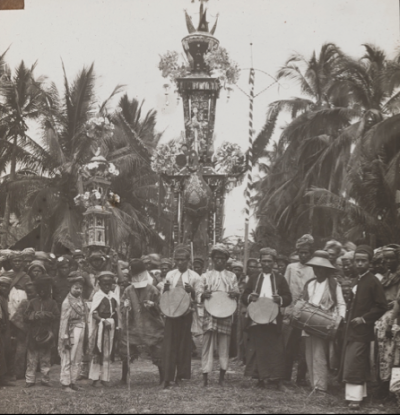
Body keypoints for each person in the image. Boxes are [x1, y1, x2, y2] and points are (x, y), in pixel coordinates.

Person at [339, 245, 387, 410]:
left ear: (369, 262)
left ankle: (355, 398)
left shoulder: (373, 281)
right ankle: (360, 394)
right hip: (352, 328)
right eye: (357, 261)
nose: (359, 264)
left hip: (363, 328)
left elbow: (382, 306)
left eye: (363, 261)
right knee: (356, 360)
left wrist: (364, 319)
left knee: (355, 360)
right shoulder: (357, 279)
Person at [242, 248, 292, 391]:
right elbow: (244, 296)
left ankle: (277, 380)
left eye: (269, 261)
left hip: (273, 318)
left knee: (276, 348)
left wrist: (280, 299)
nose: (266, 264)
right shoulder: (253, 278)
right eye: (264, 261)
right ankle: (261, 379)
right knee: (259, 347)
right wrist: (249, 297)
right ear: (260, 262)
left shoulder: (280, 279)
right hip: (256, 317)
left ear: (274, 262)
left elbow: (288, 297)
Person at [302, 251, 346, 393]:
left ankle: (320, 386)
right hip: (308, 322)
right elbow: (303, 302)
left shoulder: (334, 285)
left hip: (324, 323)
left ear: (326, 269)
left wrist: (340, 319)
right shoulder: (310, 284)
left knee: (319, 354)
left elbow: (341, 303)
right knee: (309, 353)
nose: (318, 271)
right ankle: (313, 383)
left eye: (321, 268)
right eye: (315, 268)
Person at [160, 246, 202, 389]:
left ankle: (180, 376)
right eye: (177, 259)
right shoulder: (170, 275)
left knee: (183, 345)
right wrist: (165, 290)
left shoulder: (195, 277)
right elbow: (164, 296)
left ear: (188, 261)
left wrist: (193, 292)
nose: (179, 262)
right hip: (171, 314)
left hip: (186, 315)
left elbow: (199, 299)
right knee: (169, 345)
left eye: (182, 260)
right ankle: (167, 377)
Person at [200, 244, 240, 387]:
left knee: (224, 345)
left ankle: (222, 377)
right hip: (210, 312)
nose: (219, 261)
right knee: (207, 344)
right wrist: (202, 294)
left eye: (222, 258)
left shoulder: (232, 276)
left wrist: (235, 293)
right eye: (216, 258)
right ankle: (205, 376)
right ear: (212, 259)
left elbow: (236, 292)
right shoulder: (205, 276)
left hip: (226, 312)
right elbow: (199, 292)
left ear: (226, 260)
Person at [120, 259, 164, 385]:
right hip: (134, 326)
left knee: (158, 349)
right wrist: (126, 306)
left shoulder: (153, 290)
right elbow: (122, 307)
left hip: (151, 325)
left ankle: (163, 376)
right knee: (126, 348)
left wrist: (153, 305)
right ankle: (124, 377)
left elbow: (161, 308)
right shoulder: (128, 290)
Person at [282, 234, 316, 384]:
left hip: (308, 312)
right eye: (300, 252)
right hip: (292, 311)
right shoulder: (291, 268)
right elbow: (286, 288)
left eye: (306, 252)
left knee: (304, 347)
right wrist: (287, 310)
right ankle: (285, 376)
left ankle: (301, 377)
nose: (303, 255)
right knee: (289, 344)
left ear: (311, 253)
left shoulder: (315, 269)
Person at [24, 276, 60, 388]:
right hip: (33, 333)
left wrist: (46, 314)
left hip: (47, 333)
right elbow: (25, 316)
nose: (42, 292)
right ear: (37, 290)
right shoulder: (32, 302)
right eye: (40, 289)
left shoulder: (53, 303)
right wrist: (34, 315)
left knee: (46, 358)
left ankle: (45, 378)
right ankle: (30, 379)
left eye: (45, 289)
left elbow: (57, 316)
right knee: (31, 358)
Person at [375, 245, 400, 396]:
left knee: (393, 353)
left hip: (394, 317)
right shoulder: (387, 276)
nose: (388, 261)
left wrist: (391, 320)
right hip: (384, 315)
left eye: (392, 258)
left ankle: (391, 389)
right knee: (384, 352)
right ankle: (384, 385)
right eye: (386, 259)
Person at [88, 271, 119, 387]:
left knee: (108, 351)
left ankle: (105, 378)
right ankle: (95, 378)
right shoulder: (98, 295)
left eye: (109, 284)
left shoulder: (113, 296)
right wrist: (102, 320)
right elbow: (94, 313)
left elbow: (116, 311)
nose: (107, 286)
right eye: (104, 284)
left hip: (110, 325)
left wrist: (117, 324)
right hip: (101, 325)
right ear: (100, 284)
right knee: (98, 350)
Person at [59, 274, 88, 393]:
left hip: (81, 328)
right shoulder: (67, 302)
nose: (79, 290)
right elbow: (63, 321)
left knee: (77, 357)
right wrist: (64, 337)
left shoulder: (80, 300)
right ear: (70, 287)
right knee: (67, 357)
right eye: (76, 288)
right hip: (70, 330)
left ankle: (73, 381)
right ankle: (65, 383)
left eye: (80, 288)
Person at [7, 251, 32, 381]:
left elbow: (31, 295)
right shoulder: (6, 275)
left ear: (22, 262)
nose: (17, 263)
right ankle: (9, 371)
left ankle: (19, 371)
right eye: (14, 261)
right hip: (8, 310)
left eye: (19, 261)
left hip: (22, 312)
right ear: (11, 262)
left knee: (22, 342)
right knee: (9, 343)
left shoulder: (26, 277)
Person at [9, 282, 37, 380]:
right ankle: (18, 373)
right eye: (28, 293)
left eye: (32, 292)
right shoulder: (24, 302)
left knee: (34, 352)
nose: (30, 295)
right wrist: (22, 329)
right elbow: (16, 318)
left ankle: (33, 372)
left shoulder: (38, 302)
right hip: (23, 330)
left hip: (36, 331)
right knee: (20, 352)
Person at [0, 276, 14, 387]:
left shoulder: (6, 298)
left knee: (5, 351)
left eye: (6, 286)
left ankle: (3, 377)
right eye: (2, 286)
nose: (4, 288)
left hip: (5, 327)